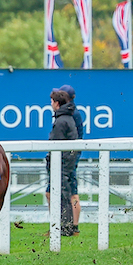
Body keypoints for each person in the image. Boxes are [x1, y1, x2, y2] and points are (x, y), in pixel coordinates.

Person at [45, 89, 79, 235]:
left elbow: (55, 145)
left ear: (57, 103)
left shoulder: (61, 120)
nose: (51, 104)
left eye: (52, 101)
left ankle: (65, 228)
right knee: (65, 194)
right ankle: (67, 227)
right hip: (67, 162)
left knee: (62, 195)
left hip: (62, 164)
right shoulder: (68, 117)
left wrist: (51, 161)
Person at [57, 84, 83, 232]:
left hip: (69, 157)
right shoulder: (71, 112)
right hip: (70, 155)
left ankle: (73, 226)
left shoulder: (72, 114)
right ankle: (62, 224)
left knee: (72, 192)